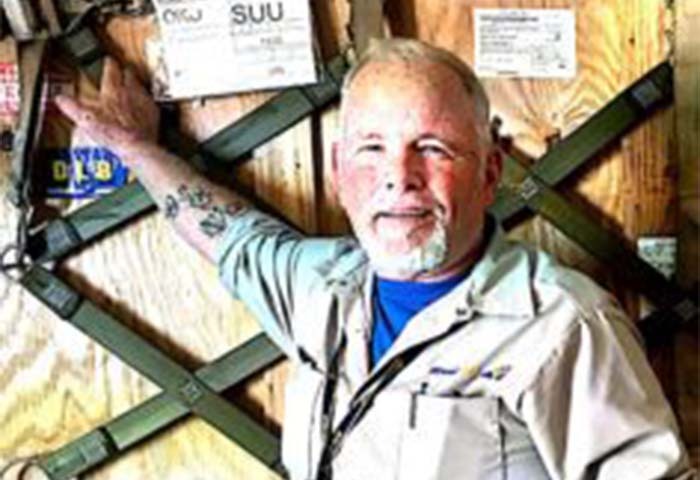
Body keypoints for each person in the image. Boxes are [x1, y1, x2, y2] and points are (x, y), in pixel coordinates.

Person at [42, 38, 693, 479]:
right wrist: (133, 148)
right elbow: (227, 235)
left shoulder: (560, 325)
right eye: (371, 149)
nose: (399, 177)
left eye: (433, 148)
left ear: (491, 173)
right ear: (337, 173)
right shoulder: (320, 287)